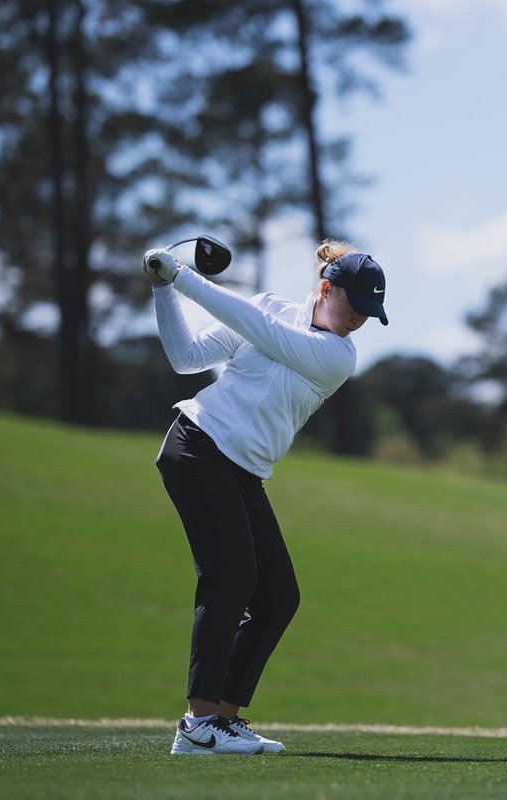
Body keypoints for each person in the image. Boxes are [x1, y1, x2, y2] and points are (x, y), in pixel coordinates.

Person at [143, 239, 389, 755]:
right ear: (326, 288)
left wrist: (183, 277)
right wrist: (166, 289)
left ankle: (225, 719)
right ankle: (198, 725)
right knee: (231, 577)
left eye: (371, 313)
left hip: (242, 470)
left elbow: (264, 335)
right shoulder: (268, 307)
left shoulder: (337, 356)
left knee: (278, 596)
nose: (361, 320)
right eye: (357, 307)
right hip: (198, 447)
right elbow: (186, 358)